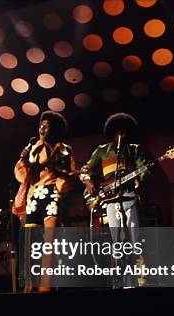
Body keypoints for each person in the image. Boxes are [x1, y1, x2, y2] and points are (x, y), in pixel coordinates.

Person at [79, 112, 150, 288]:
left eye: (125, 132)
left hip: (129, 199)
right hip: (110, 201)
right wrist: (88, 183)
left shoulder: (134, 149)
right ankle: (119, 281)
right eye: (119, 132)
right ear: (112, 133)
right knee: (117, 242)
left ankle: (139, 281)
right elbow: (85, 170)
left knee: (135, 240)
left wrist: (138, 179)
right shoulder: (102, 151)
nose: (122, 135)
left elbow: (145, 169)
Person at [13, 111, 78, 292]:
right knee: (30, 241)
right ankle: (30, 286)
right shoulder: (33, 148)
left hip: (53, 194)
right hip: (34, 194)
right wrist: (23, 160)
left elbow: (73, 173)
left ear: (55, 129)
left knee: (51, 240)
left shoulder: (65, 150)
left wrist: (58, 178)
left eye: (46, 125)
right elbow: (22, 174)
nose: (42, 128)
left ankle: (47, 286)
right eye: (41, 125)